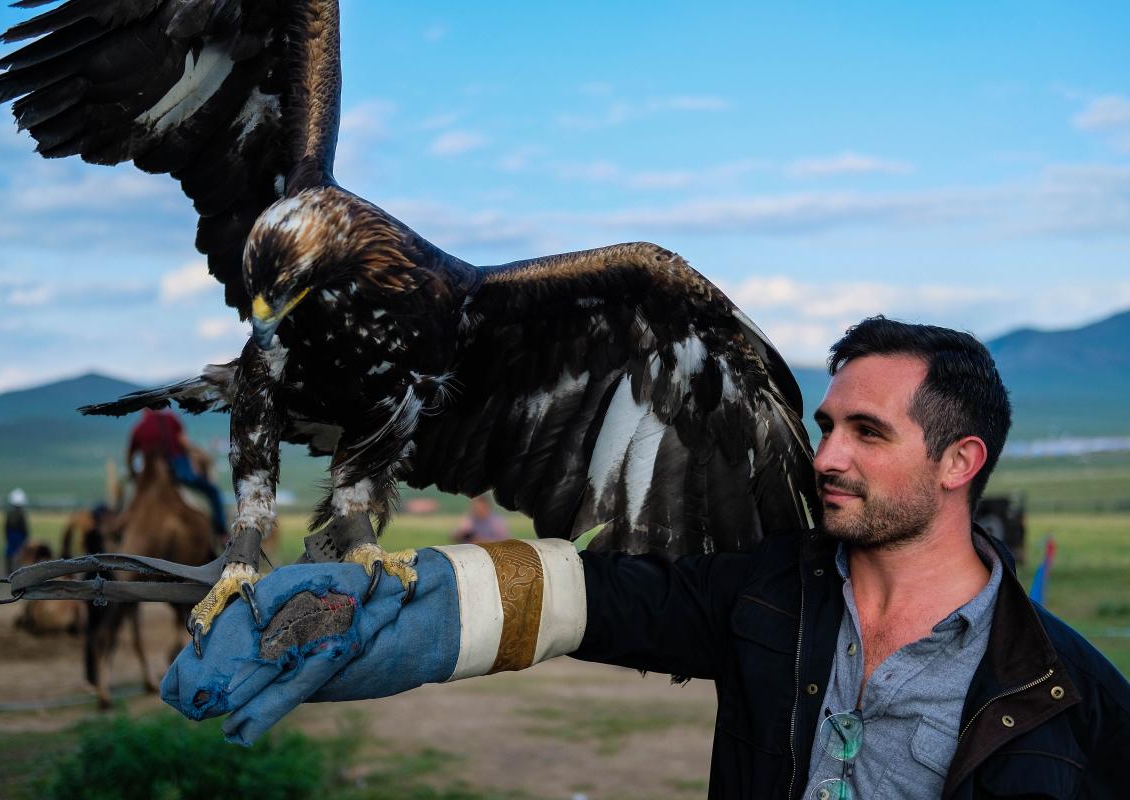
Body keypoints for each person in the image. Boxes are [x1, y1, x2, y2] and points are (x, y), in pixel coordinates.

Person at [163, 317, 1130, 798]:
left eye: (867, 434)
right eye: (826, 423)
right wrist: (390, 609)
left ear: (960, 462)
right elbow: (589, 597)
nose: (824, 456)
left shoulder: (1077, 702)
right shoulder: (767, 595)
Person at [127, 408, 227, 537]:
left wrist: (134, 476)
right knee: (213, 492)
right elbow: (184, 443)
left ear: (143, 410)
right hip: (178, 473)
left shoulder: (138, 429)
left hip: (151, 480)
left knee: (129, 505)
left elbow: (129, 456)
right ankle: (221, 533)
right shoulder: (170, 418)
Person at [3, 487, 30, 575]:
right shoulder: (22, 513)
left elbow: (6, 526)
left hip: (11, 534)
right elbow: (24, 527)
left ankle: (9, 570)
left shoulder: (10, 512)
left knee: (9, 552)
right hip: (19, 535)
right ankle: (18, 570)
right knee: (20, 552)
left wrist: (7, 535)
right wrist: (26, 536)